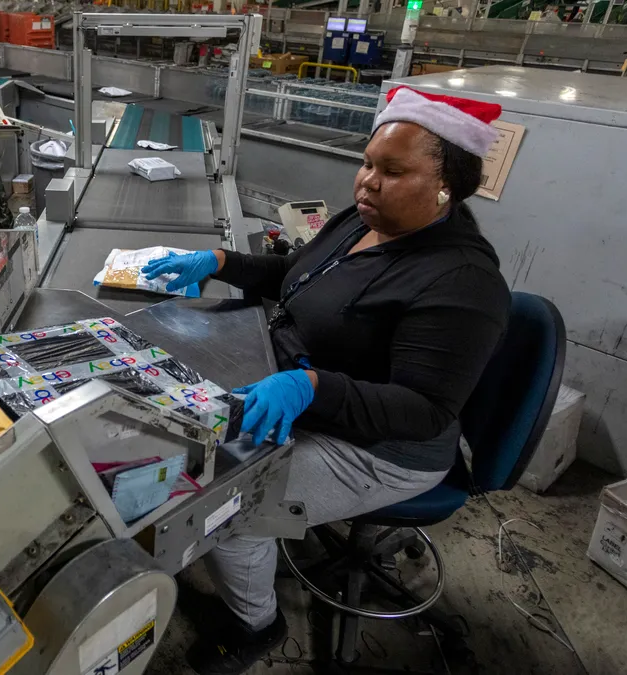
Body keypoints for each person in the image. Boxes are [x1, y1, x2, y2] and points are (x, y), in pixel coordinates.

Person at [141, 86, 513, 674]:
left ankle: (256, 625)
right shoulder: (362, 221)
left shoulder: (461, 282)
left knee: (227, 510)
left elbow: (422, 409)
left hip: (383, 446)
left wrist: (312, 387)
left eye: (392, 171)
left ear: (448, 186)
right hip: (303, 384)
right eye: (367, 163)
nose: (367, 181)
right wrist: (219, 263)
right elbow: (297, 276)